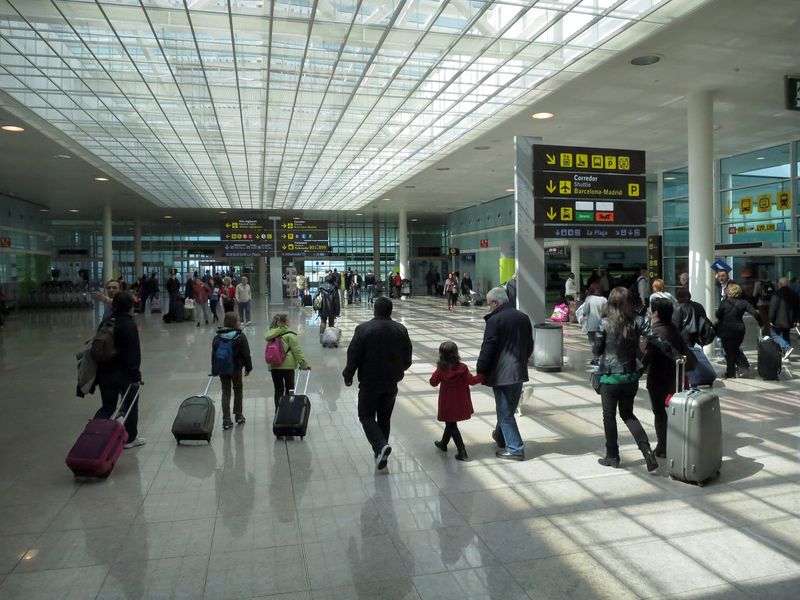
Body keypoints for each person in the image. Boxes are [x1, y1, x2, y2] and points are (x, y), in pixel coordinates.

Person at [592, 287, 658, 471]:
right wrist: (675, 353)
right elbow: (654, 338)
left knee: (609, 416)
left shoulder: (604, 323)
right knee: (628, 414)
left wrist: (600, 352)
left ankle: (612, 456)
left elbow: (597, 350)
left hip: (610, 377)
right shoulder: (637, 321)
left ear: (611, 302)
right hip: (630, 376)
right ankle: (647, 453)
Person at [342, 297, 412, 471]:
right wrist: (399, 370)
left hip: (369, 382)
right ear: (390, 311)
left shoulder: (363, 329)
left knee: (365, 415)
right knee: (384, 418)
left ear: (374, 310)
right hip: (391, 382)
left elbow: (354, 354)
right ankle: (381, 453)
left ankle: (380, 447)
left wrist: (348, 374)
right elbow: (407, 358)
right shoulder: (401, 329)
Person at [476, 287, 533, 461]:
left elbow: (488, 347)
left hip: (502, 374)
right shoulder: (523, 317)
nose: (489, 308)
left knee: (505, 413)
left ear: (496, 302)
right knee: (506, 408)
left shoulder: (495, 320)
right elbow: (529, 344)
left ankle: (515, 449)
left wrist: (481, 368)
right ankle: (501, 437)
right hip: (518, 371)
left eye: (489, 304)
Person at [642, 297, 694, 458]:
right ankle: (677, 441)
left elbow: (647, 357)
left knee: (659, 412)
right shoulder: (673, 328)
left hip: (658, 377)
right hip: (675, 376)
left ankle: (663, 446)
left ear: (656, 313)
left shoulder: (656, 332)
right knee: (673, 411)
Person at [92, 291, 145, 448]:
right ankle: (130, 438)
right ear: (130, 306)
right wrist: (136, 375)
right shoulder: (128, 324)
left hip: (104, 372)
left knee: (107, 406)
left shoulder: (106, 322)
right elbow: (132, 353)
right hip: (124, 373)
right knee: (130, 404)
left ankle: (93, 434)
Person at [430, 341, 483, 462]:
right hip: (460, 402)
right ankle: (443, 443)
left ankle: (462, 451)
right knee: (450, 423)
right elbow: (472, 381)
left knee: (451, 424)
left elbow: (433, 382)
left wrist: (438, 371)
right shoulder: (463, 368)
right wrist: (483, 376)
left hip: (447, 403)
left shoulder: (441, 369)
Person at [265, 313, 310, 418]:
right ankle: (288, 409)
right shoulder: (290, 335)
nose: (289, 321)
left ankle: (278, 412)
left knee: (278, 390)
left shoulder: (270, 335)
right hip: (288, 367)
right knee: (290, 388)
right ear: (284, 322)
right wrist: (304, 364)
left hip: (274, 366)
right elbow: (297, 352)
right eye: (288, 320)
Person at [212, 312, 252, 430]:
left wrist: (214, 370)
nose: (240, 322)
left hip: (223, 369)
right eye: (238, 320)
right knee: (238, 390)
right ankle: (238, 415)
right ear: (234, 322)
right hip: (236, 369)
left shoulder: (217, 337)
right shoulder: (240, 336)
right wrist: (249, 368)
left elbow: (214, 355)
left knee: (226, 392)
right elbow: (246, 354)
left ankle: (226, 420)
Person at [716, 282, 762, 378]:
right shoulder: (744, 303)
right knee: (735, 349)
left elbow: (718, 315)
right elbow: (755, 313)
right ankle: (744, 368)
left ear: (729, 292)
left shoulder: (725, 302)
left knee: (729, 351)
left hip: (726, 329)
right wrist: (761, 323)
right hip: (739, 329)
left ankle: (731, 373)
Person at [769, 277, 799, 361]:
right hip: (789, 320)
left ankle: (787, 347)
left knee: (773, 334)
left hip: (778, 320)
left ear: (780, 284)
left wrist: (770, 319)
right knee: (786, 335)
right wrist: (797, 320)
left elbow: (773, 308)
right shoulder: (794, 294)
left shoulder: (776, 294)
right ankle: (786, 354)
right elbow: (797, 308)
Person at [577, 282, 607, 365]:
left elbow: (585, 311)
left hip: (591, 325)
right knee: (602, 341)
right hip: (602, 325)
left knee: (593, 343)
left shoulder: (589, 299)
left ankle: (595, 358)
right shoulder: (604, 299)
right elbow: (607, 312)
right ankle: (600, 358)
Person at [314, 272, 341, 336]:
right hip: (332, 309)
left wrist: (315, 307)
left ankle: (321, 335)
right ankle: (330, 337)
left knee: (323, 322)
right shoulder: (334, 288)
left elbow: (315, 297)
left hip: (322, 308)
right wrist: (337, 312)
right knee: (331, 323)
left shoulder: (320, 287)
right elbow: (336, 301)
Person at [752, 271, 776, 336]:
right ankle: (771, 334)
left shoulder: (758, 283)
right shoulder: (773, 283)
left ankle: (767, 335)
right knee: (770, 319)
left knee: (764, 320)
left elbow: (754, 294)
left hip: (761, 304)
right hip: (771, 304)